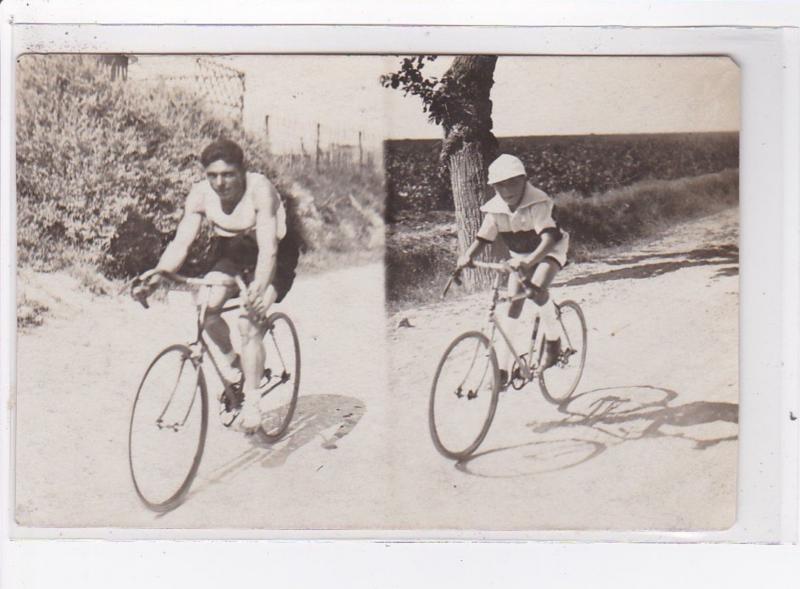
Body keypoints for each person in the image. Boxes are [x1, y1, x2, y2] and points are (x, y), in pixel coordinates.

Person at [139, 139, 299, 432]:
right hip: (233, 252)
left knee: (248, 323)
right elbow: (181, 242)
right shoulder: (200, 195)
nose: (220, 182)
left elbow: (269, 251)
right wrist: (159, 273)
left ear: (242, 171)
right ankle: (238, 365)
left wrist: (259, 289)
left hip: (274, 254)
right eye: (212, 175)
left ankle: (252, 402)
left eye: (228, 174)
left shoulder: (260, 191)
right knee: (206, 308)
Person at [456, 153, 569, 386]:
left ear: (524, 180)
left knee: (537, 290)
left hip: (548, 251)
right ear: (494, 187)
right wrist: (467, 256)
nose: (507, 191)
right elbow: (482, 239)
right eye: (500, 185)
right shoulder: (495, 209)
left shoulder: (537, 203)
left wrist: (529, 263)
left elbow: (548, 240)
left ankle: (554, 340)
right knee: (513, 303)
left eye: (513, 183)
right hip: (520, 256)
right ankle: (503, 369)